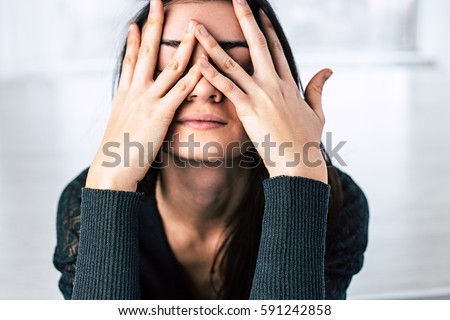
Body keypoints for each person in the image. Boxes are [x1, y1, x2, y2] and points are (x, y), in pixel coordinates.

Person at [53, 0, 369, 300]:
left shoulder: (335, 203)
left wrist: (298, 173)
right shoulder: (83, 203)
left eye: (231, 64)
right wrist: (110, 186)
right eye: (175, 66)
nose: (204, 88)